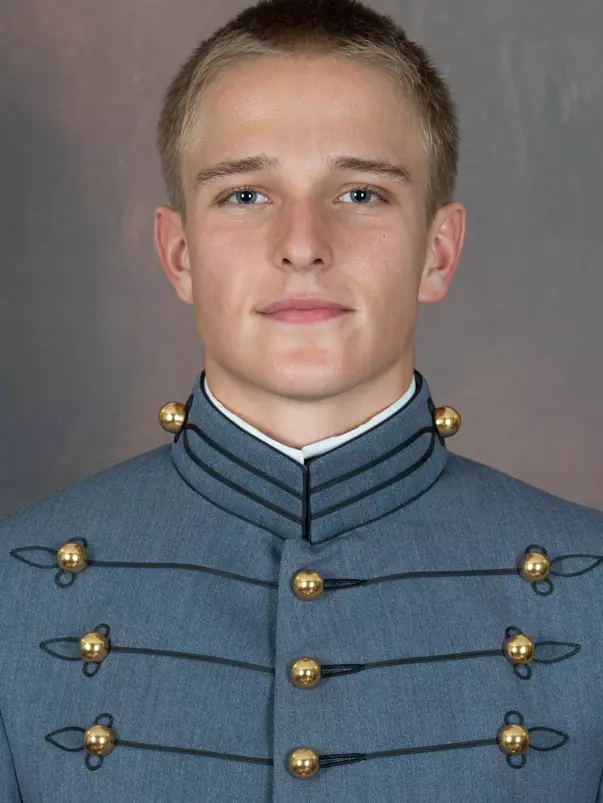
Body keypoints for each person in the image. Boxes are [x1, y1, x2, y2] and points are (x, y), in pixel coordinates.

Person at [1, 0, 602, 800]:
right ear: (178, 256)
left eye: (359, 193)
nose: (302, 243)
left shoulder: (590, 587)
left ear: (437, 250)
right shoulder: (16, 585)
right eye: (246, 194)